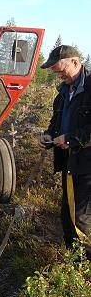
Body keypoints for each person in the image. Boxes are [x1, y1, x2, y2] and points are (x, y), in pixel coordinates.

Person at [39, 45, 91, 258]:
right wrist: (49, 135)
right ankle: (74, 261)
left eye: (62, 70)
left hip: (88, 166)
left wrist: (71, 139)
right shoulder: (62, 94)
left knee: (82, 217)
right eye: (56, 73)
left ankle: (85, 267)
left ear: (76, 62)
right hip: (69, 165)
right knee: (67, 214)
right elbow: (56, 122)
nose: (60, 76)